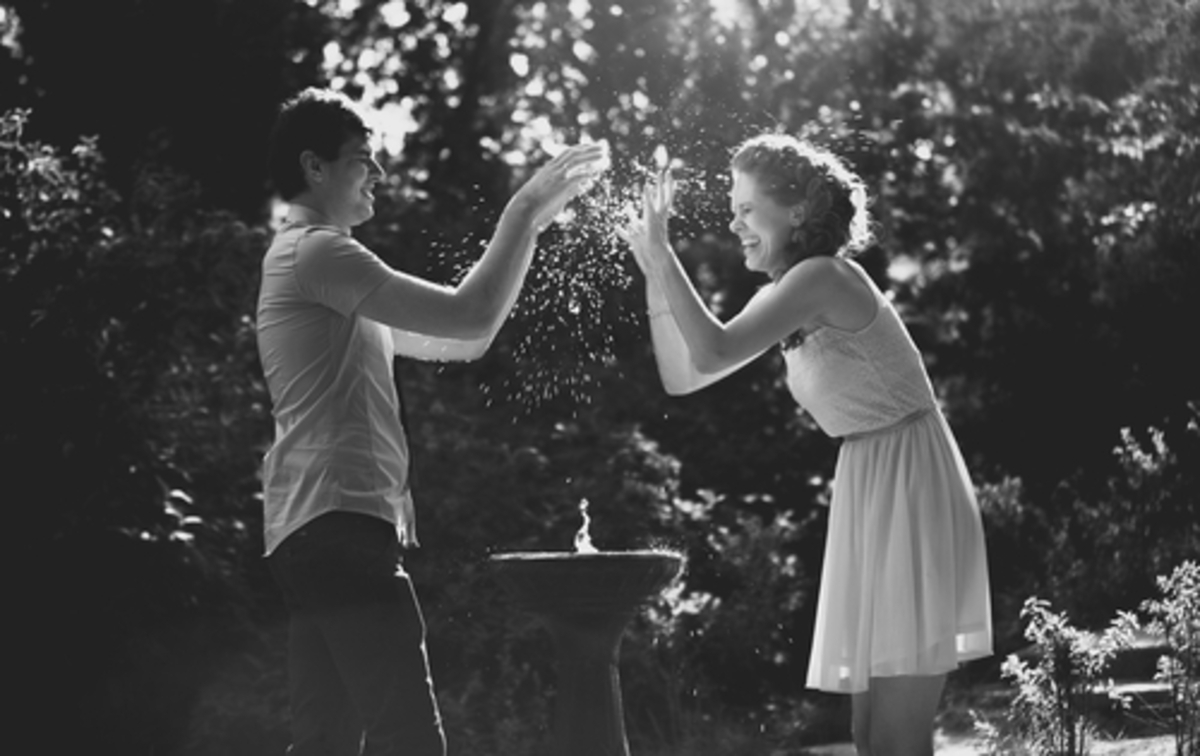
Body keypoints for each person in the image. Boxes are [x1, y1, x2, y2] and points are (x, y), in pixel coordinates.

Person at [256, 87, 607, 756]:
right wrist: (522, 209)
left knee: (325, 743)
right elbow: (468, 315)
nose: (379, 172)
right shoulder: (319, 252)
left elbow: (467, 338)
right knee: (409, 739)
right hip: (339, 524)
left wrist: (530, 228)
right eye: (362, 158)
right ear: (314, 167)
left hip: (312, 530)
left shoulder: (315, 266)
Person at [623, 133, 992, 756]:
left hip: (909, 481)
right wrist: (656, 274)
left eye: (747, 209)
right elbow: (684, 376)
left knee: (897, 741)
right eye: (733, 210)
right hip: (871, 478)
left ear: (795, 212)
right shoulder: (784, 294)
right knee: (869, 737)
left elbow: (711, 349)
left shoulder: (822, 277)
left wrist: (664, 255)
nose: (734, 224)